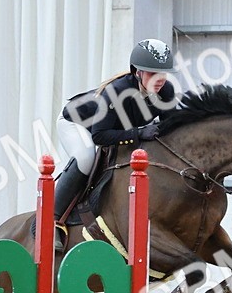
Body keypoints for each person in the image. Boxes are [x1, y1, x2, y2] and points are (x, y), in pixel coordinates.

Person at [52, 38, 179, 249]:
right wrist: (139, 133)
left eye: (163, 73)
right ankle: (52, 220)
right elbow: (100, 137)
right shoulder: (117, 92)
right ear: (137, 72)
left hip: (113, 129)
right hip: (77, 123)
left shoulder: (166, 92)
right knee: (86, 158)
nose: (160, 79)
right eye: (152, 73)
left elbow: (170, 131)